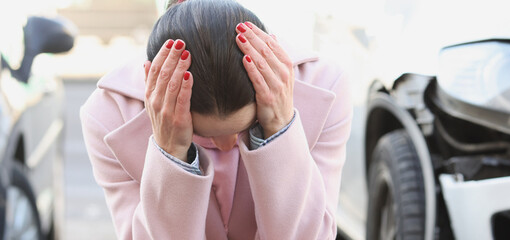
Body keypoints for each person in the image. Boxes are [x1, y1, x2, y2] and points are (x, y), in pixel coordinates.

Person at [79, 0, 352, 239]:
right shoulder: (108, 117)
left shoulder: (326, 85)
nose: (225, 145)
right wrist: (171, 156)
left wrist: (280, 130)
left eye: (248, 127)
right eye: (201, 134)